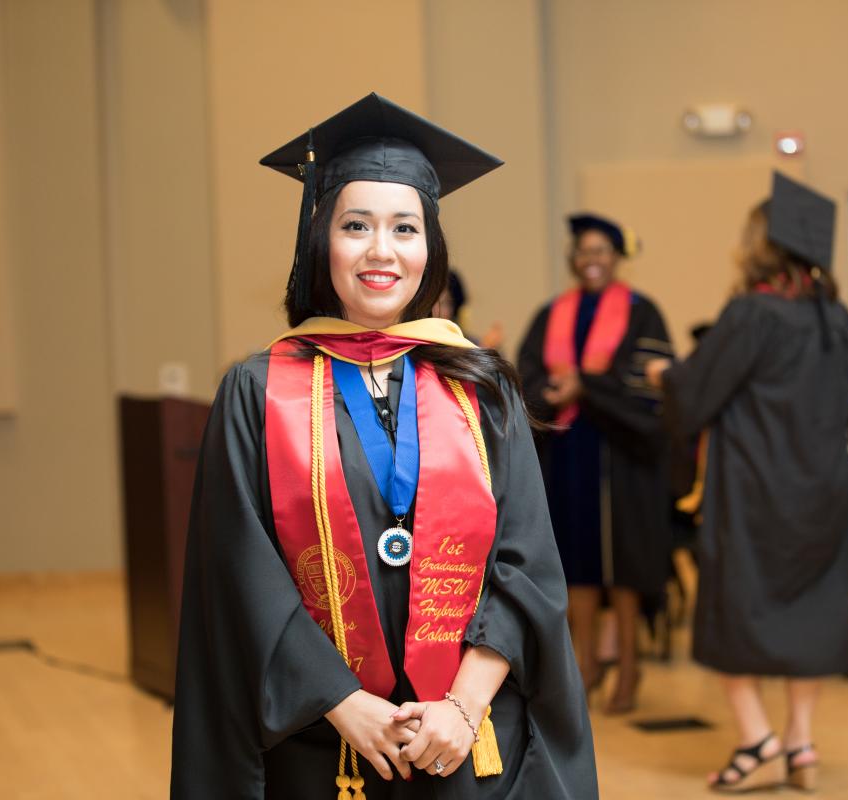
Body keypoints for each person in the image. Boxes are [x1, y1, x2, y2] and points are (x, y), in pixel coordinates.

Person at [170, 94, 596, 799]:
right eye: (356, 225)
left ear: (430, 248)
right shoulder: (257, 391)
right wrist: (343, 702)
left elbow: (526, 566)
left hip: (463, 739)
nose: (381, 251)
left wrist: (463, 706)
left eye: (405, 227)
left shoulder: (481, 386)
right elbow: (239, 576)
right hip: (320, 743)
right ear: (321, 240)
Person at [647, 173, 848, 793]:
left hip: (757, 495)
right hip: (824, 492)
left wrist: (668, 377)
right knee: (811, 614)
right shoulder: (835, 320)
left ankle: (756, 738)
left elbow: (696, 395)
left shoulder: (750, 315)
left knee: (734, 610)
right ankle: (800, 742)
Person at [517, 213, 673, 715]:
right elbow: (528, 375)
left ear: (617, 258)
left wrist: (588, 387)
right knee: (576, 568)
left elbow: (647, 386)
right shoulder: (551, 313)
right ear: (573, 259)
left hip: (623, 460)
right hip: (567, 456)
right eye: (583, 252)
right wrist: (553, 389)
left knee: (623, 569)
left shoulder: (642, 312)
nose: (592, 261)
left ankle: (628, 667)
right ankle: (583, 667)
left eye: (601, 251)